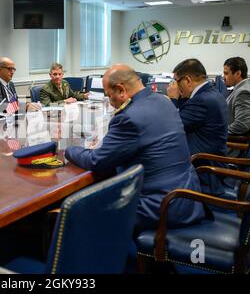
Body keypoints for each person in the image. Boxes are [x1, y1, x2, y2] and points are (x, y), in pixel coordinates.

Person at [65, 65, 204, 233]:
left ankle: (114, 257)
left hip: (161, 205)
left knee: (83, 211)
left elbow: (96, 160)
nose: (110, 102)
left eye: (110, 95)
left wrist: (69, 149)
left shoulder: (129, 118)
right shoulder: (163, 101)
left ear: (121, 90)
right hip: (189, 196)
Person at [167, 58, 228, 157]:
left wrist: (173, 99)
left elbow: (171, 127)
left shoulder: (201, 101)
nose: (175, 86)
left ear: (187, 80)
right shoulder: (212, 93)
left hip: (202, 166)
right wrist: (182, 97)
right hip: (210, 157)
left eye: (176, 81)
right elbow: (186, 114)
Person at [223, 57, 250, 136]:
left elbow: (242, 125)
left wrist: (217, 132)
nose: (223, 77)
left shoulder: (244, 92)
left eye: (226, 73)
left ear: (238, 73)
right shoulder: (244, 87)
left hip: (230, 144)